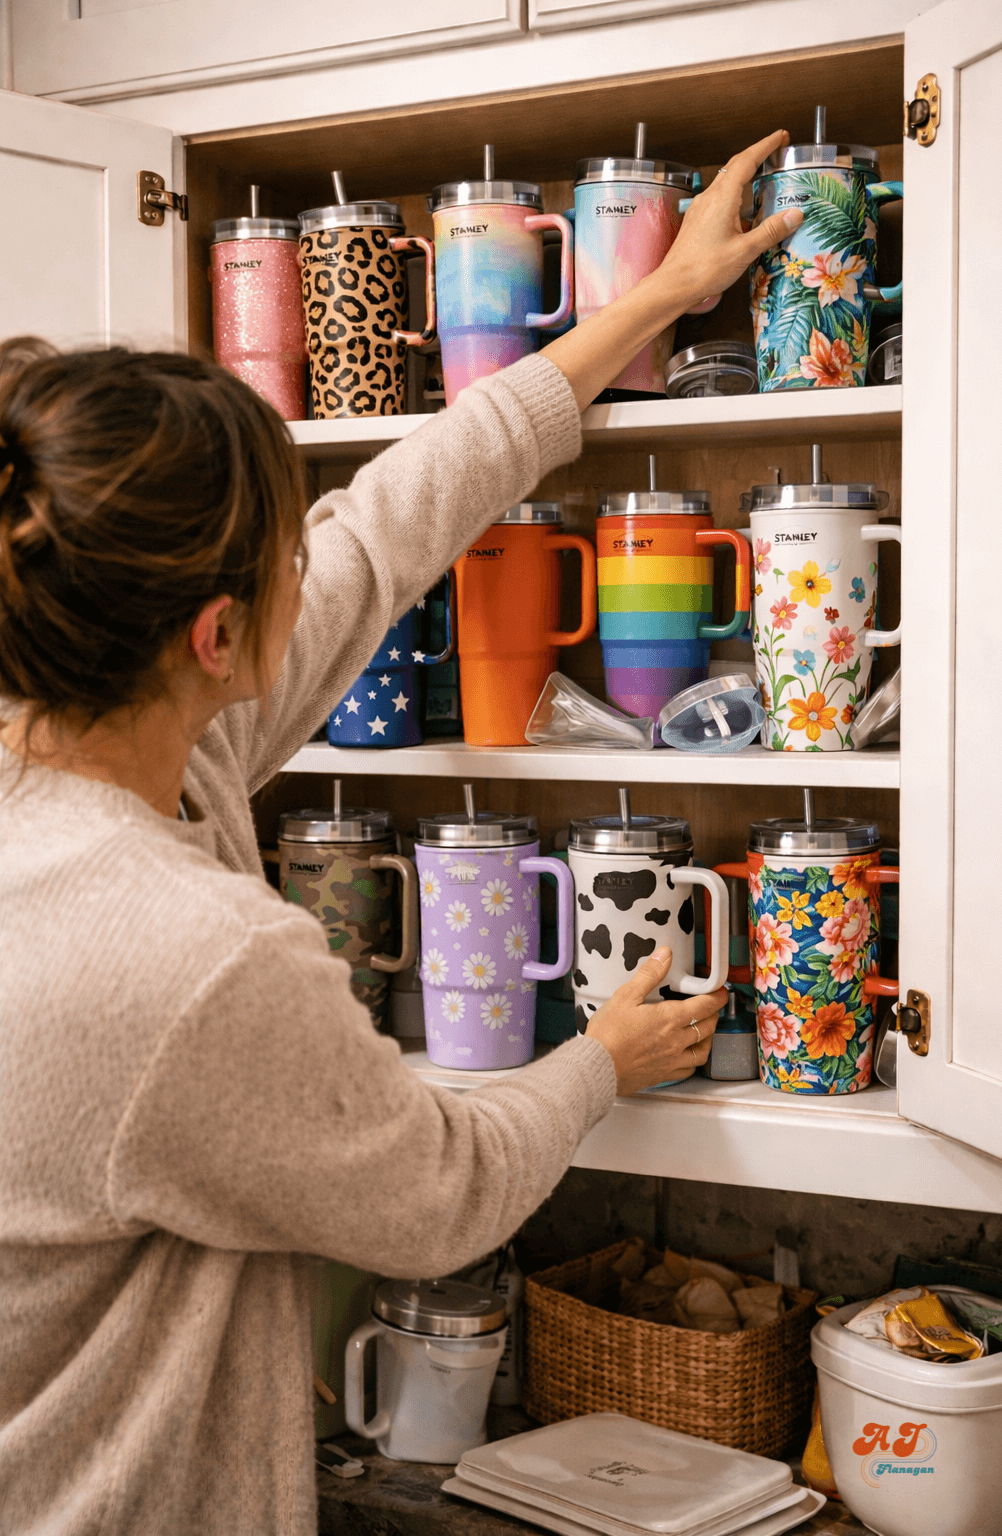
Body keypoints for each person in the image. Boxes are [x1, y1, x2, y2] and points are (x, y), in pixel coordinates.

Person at [0, 134, 800, 1533]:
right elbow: (445, 1196)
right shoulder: (195, 953)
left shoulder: (147, 756)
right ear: (217, 635)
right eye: (279, 554)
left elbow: (387, 527)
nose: (312, 562)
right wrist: (600, 1059)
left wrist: (652, 299)